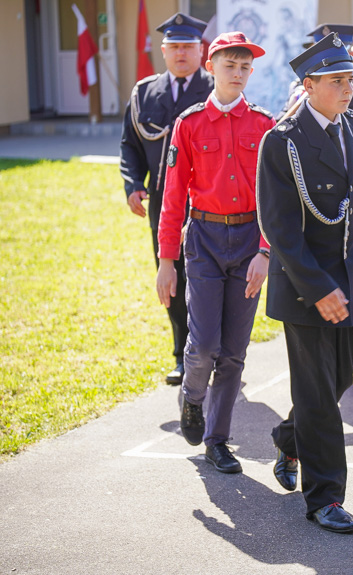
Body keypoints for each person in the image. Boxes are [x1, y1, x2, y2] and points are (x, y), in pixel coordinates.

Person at [257, 32, 353, 534]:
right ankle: (325, 498)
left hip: (351, 276)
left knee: (336, 382)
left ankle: (288, 438)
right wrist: (317, 288)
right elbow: (280, 228)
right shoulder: (283, 142)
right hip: (305, 285)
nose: (348, 89)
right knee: (317, 393)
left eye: (350, 80)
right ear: (309, 84)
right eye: (336, 81)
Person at [156, 32, 274, 473]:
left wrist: (265, 251)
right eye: (230, 65)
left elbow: (274, 198)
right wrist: (167, 261)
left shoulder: (264, 124)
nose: (238, 73)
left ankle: (217, 439)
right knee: (203, 343)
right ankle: (191, 397)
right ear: (211, 66)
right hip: (203, 239)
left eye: (246, 67)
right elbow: (173, 196)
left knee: (234, 352)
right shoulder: (189, 124)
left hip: (248, 242)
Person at [119, 13, 212, 385]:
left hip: (208, 203)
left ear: (201, 50)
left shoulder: (214, 88)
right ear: (163, 51)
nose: (181, 53)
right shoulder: (144, 93)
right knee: (171, 278)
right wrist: (132, 185)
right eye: (174, 47)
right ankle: (182, 354)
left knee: (208, 279)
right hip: (163, 202)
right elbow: (130, 143)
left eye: (188, 46)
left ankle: (214, 352)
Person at [278, 25, 353, 118]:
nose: (348, 89)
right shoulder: (299, 90)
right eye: (317, 52)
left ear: (351, 54)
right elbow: (280, 125)